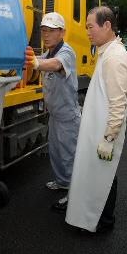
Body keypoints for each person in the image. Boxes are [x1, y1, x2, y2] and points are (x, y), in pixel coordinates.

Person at [55, 6, 127, 234]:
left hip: (104, 132)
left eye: (90, 26)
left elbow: (118, 103)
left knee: (104, 176)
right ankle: (94, 218)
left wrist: (109, 138)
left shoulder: (115, 57)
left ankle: (102, 222)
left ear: (106, 25)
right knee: (99, 174)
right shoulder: (108, 52)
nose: (87, 32)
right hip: (98, 129)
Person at [25, 12, 80, 191]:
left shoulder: (66, 52)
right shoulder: (49, 52)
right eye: (43, 30)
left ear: (62, 32)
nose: (46, 35)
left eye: (51, 30)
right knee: (56, 152)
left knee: (68, 154)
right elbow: (41, 60)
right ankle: (62, 182)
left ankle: (73, 192)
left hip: (67, 117)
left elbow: (55, 64)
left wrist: (35, 63)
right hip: (55, 115)